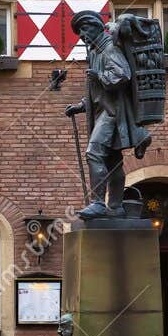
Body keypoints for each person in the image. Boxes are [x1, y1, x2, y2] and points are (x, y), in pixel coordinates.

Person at [65, 11, 151, 218]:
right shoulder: (95, 52)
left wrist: (99, 75)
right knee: (113, 162)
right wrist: (81, 106)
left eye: (85, 30)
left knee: (94, 153)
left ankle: (98, 203)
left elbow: (123, 75)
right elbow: (98, 93)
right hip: (104, 110)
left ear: (96, 27)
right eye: (79, 33)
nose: (82, 36)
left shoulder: (109, 48)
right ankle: (116, 207)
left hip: (113, 114)